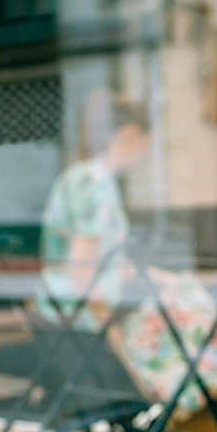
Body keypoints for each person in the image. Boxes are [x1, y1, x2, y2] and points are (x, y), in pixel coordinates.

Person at [38, 88, 151, 331]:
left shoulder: (90, 179)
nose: (145, 155)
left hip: (68, 317)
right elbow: (83, 271)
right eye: (145, 145)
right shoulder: (92, 186)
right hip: (75, 323)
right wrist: (111, 331)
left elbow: (103, 259)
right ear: (131, 135)